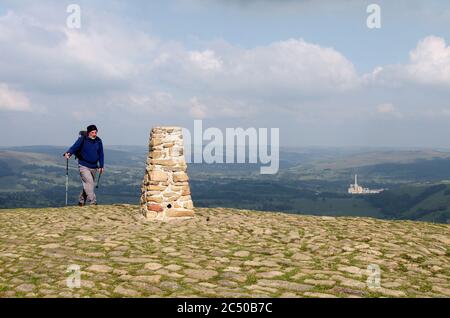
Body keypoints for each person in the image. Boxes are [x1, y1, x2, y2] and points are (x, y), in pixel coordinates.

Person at [64, 125, 104, 206]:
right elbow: (74, 147)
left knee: (88, 185)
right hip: (83, 165)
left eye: (95, 132)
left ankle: (81, 201)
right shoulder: (83, 139)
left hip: (94, 167)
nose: (94, 134)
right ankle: (93, 202)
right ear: (89, 132)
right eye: (92, 132)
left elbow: (101, 154)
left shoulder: (98, 141)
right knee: (89, 183)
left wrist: (101, 165)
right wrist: (68, 153)